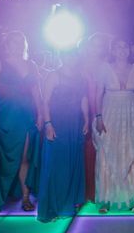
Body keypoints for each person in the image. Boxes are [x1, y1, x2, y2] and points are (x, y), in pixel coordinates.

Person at [0, 31, 43, 212]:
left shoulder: (31, 65)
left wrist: (39, 114)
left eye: (21, 42)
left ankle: (25, 197)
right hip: (5, 116)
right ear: (7, 45)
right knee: (2, 158)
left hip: (26, 116)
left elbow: (36, 93)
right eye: (14, 42)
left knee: (25, 157)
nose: (18, 45)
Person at [93, 38, 134, 212]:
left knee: (132, 150)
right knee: (107, 150)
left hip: (130, 113)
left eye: (124, 46)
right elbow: (98, 94)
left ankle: (133, 198)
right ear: (113, 51)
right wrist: (98, 117)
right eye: (118, 47)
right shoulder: (104, 68)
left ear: (128, 50)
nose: (121, 50)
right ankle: (106, 199)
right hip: (109, 112)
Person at [37, 48, 88, 222]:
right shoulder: (53, 75)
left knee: (72, 163)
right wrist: (48, 124)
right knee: (56, 166)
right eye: (67, 54)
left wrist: (87, 119)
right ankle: (52, 207)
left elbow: (84, 99)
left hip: (75, 123)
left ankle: (67, 204)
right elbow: (45, 102)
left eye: (73, 54)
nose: (71, 57)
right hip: (58, 123)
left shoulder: (81, 76)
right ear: (61, 55)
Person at [81, 32, 111, 202]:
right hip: (81, 108)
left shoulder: (106, 65)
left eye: (99, 45)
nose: (96, 48)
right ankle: (82, 191)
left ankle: (96, 191)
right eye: (94, 44)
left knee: (98, 148)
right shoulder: (80, 64)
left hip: (100, 109)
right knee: (83, 149)